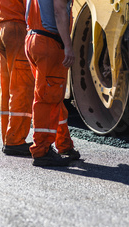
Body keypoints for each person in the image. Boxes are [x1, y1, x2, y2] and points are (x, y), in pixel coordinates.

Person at [25, 0, 80, 166]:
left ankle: (64, 145)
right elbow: (59, 11)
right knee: (47, 100)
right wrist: (68, 47)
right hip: (49, 41)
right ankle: (42, 150)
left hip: (33, 39)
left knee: (53, 96)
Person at [0, 0, 35, 156]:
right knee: (22, 87)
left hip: (1, 27)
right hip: (17, 28)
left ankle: (8, 136)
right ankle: (15, 140)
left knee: (8, 86)